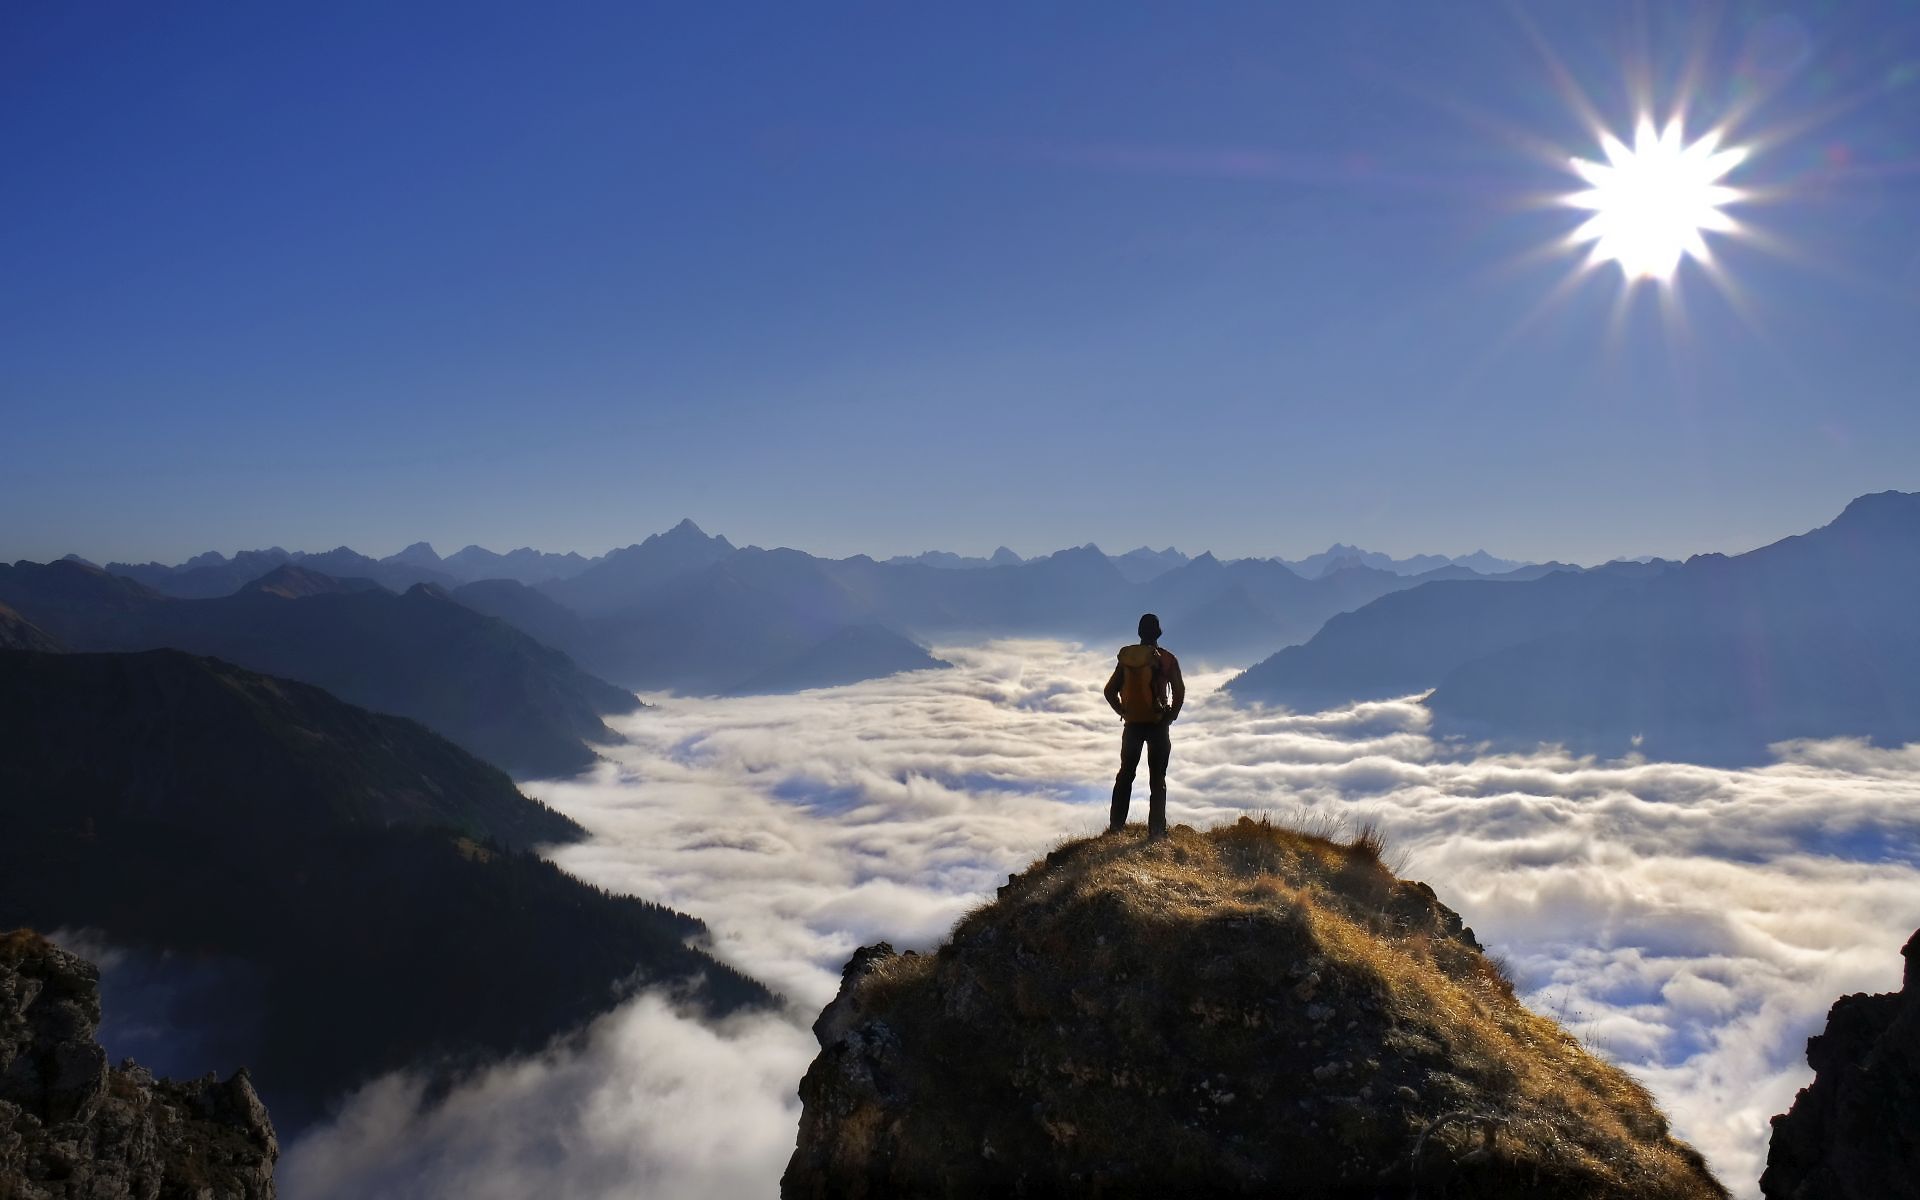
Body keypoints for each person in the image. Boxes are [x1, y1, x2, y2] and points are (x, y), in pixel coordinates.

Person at [1103, 612, 1184, 840]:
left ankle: (1116, 827)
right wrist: (1171, 716)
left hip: (1132, 726)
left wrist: (1123, 711)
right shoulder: (1167, 659)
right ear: (1158, 633)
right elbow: (1179, 692)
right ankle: (1157, 831)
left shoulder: (1127, 659)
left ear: (1139, 633)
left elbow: (1109, 691)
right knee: (1157, 779)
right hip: (1158, 725)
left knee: (1125, 775)